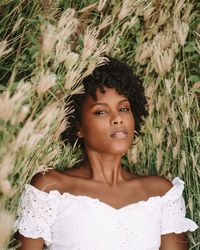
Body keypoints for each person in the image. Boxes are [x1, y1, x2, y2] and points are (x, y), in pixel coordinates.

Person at [14, 58, 198, 250]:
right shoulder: (50, 189)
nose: (118, 118)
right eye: (101, 112)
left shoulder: (162, 193)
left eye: (124, 108)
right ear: (79, 128)